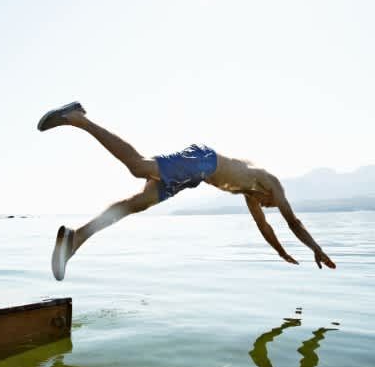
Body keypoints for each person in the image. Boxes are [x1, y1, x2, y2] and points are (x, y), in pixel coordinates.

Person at [37, 101, 336, 281]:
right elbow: (292, 222)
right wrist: (316, 249)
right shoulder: (269, 181)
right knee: (139, 167)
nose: (266, 205)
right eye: (270, 203)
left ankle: (76, 238)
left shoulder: (251, 192)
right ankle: (78, 118)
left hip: (195, 177)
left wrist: (282, 253)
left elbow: (265, 228)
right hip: (203, 162)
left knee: (134, 204)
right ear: (273, 194)